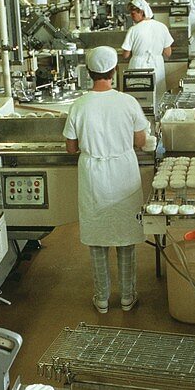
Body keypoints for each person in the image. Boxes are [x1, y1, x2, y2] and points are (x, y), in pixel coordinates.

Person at [63, 46, 151, 314]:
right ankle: (127, 297)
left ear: (89, 73)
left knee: (98, 235)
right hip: (123, 171)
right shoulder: (128, 102)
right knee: (125, 235)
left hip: (93, 174)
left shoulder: (79, 104)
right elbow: (141, 140)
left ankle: (101, 299)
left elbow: (70, 148)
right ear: (115, 71)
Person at [121, 0, 174, 97]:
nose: (132, 17)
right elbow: (168, 53)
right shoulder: (162, 27)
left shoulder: (133, 30)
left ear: (142, 12)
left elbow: (125, 55)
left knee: (139, 96)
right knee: (157, 96)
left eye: (133, 14)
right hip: (156, 65)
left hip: (138, 66)